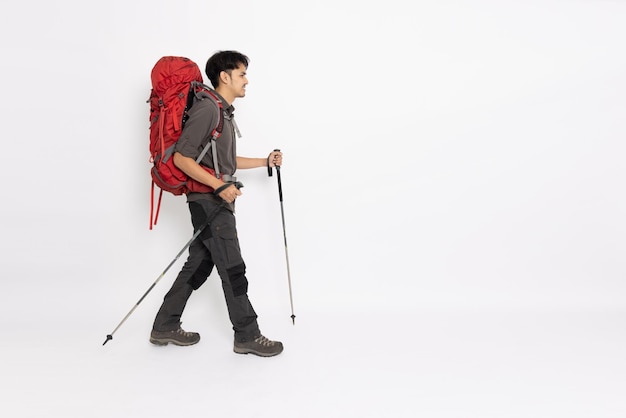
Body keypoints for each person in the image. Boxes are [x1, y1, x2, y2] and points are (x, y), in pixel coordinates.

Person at [149, 50, 284, 357]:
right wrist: (219, 185)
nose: (246, 80)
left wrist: (265, 161)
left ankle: (164, 325)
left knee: (198, 264)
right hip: (208, 202)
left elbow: (224, 162)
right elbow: (182, 157)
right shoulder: (208, 109)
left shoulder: (222, 112)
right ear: (225, 77)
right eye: (242, 74)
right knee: (233, 268)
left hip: (212, 199)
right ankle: (247, 334)